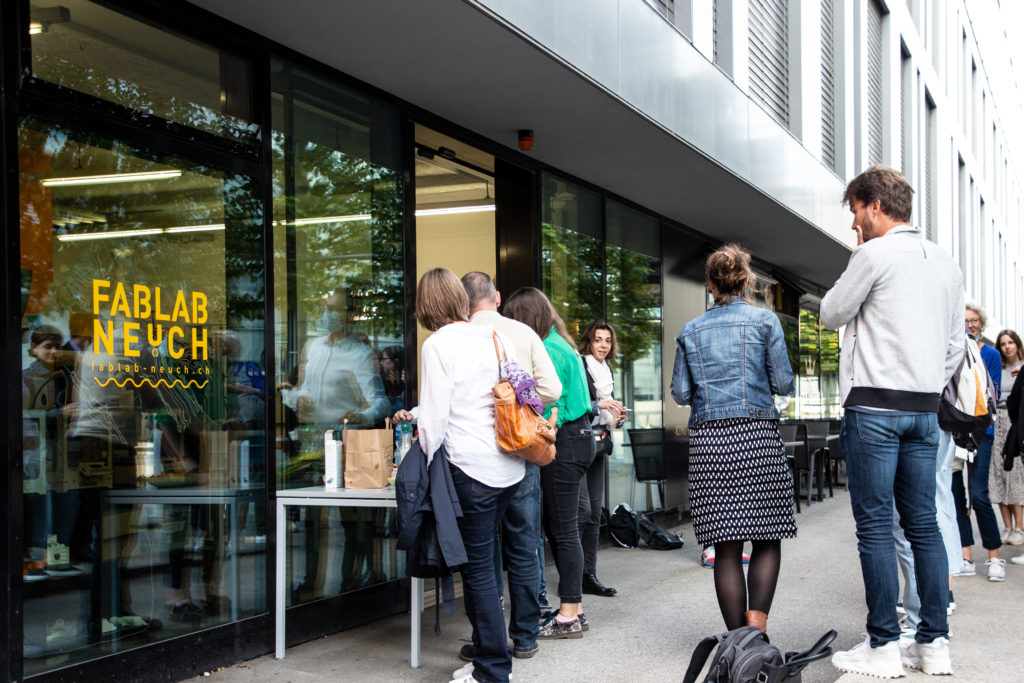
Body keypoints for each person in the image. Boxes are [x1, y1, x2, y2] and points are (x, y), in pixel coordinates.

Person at [822, 165, 964, 678]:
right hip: (924, 410)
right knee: (923, 525)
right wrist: (924, 382)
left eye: (856, 211)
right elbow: (954, 346)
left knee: (877, 527)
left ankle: (883, 644)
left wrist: (857, 249)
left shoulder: (871, 254)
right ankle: (934, 643)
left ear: (875, 207)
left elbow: (831, 313)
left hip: (874, 410)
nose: (855, 221)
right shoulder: (946, 262)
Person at [670, 244, 795, 635]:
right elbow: (784, 382)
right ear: (746, 280)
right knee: (766, 537)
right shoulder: (765, 322)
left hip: (710, 444)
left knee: (726, 547)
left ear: (710, 285)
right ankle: (757, 631)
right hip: (757, 437)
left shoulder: (690, 331)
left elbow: (680, 393)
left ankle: (738, 641)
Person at [414, 268, 524, 683]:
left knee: (477, 569)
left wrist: (421, 462)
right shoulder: (498, 338)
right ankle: (487, 649)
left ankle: (492, 669)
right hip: (509, 467)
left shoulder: (438, 344)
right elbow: (521, 393)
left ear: (427, 306)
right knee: (485, 562)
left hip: (470, 470)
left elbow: (435, 420)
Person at [460, 271, 561, 661]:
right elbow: (552, 389)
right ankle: (525, 637)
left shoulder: (456, 337)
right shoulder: (522, 332)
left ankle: (486, 639)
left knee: (481, 550)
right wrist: (520, 404)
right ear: (497, 297)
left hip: (473, 458)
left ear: (462, 302)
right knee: (522, 544)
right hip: (520, 452)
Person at [503, 287, 594, 640]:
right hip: (582, 439)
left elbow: (543, 402)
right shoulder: (562, 343)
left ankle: (569, 614)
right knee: (568, 526)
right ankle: (576, 608)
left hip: (566, 441)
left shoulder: (548, 350)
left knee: (563, 530)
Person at [578, 321, 625, 597]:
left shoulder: (607, 371)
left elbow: (609, 414)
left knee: (595, 513)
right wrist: (600, 405)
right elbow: (575, 404)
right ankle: (572, 575)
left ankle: (589, 576)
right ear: (589, 342)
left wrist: (618, 418)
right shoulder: (581, 366)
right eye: (598, 340)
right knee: (581, 513)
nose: (603, 345)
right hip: (579, 443)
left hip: (599, 444)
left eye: (607, 340)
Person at [960, 304, 1004, 581]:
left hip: (982, 432)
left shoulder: (991, 354)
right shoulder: (954, 350)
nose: (971, 324)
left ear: (981, 324)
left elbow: (993, 393)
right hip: (955, 432)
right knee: (956, 496)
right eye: (966, 320)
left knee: (979, 495)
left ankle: (994, 556)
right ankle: (966, 556)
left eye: (975, 320)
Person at [991, 330, 1024, 545]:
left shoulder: (1023, 368)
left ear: (1017, 344)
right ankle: (1007, 527)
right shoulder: (998, 368)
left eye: (1010, 342)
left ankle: (1019, 528)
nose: (1007, 347)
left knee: (1016, 474)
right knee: (998, 473)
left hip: (1017, 422)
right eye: (1003, 343)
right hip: (997, 422)